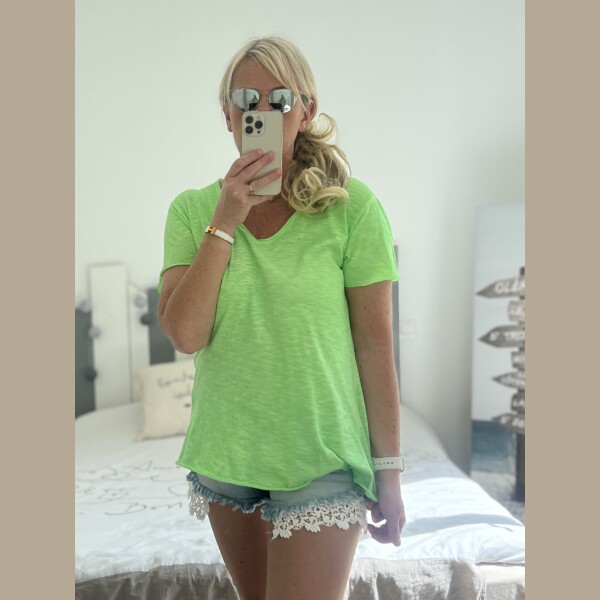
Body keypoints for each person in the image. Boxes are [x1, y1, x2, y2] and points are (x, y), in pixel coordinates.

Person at [158, 36, 406, 600]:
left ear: (306, 111)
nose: (262, 111)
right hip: (227, 454)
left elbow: (374, 347)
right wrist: (226, 219)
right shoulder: (191, 211)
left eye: (280, 99)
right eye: (247, 99)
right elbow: (186, 334)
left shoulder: (353, 208)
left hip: (322, 453)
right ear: (227, 115)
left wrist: (389, 472)